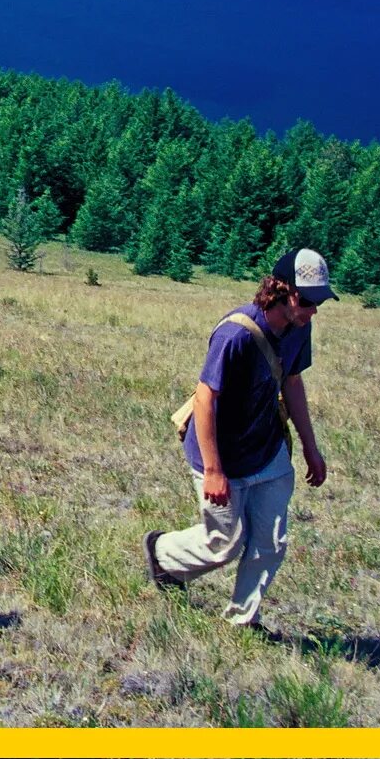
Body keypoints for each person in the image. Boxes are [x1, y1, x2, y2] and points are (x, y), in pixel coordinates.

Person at [145, 247, 333, 628]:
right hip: (221, 455)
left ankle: (242, 621)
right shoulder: (236, 334)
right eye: (307, 300)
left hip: (267, 452)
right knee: (224, 544)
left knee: (271, 542)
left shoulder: (299, 328)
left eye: (318, 303)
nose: (313, 310)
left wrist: (311, 449)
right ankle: (162, 555)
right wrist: (214, 471)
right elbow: (205, 398)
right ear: (281, 290)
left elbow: (293, 382)